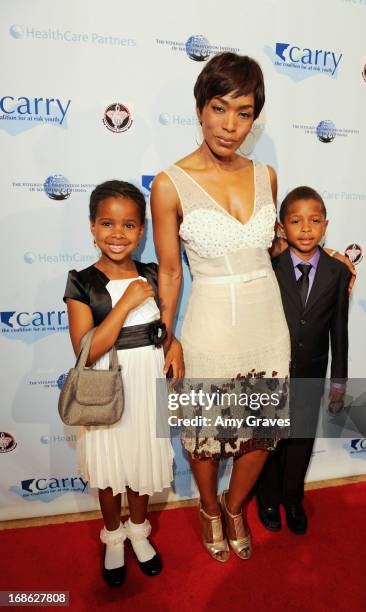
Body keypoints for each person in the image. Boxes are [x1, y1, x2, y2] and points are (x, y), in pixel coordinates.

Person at [151, 52, 291, 563]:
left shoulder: (266, 176)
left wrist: (329, 258)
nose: (230, 126)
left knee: (260, 431)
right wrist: (169, 336)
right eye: (220, 108)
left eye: (244, 112)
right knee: (207, 435)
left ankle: (236, 507)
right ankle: (209, 507)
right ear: (200, 108)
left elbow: (273, 247)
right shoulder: (169, 184)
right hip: (210, 321)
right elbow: (169, 271)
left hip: (266, 321)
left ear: (255, 117)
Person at [63, 180, 174, 587]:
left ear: (141, 230)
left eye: (128, 225)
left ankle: (138, 531)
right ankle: (113, 536)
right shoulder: (81, 281)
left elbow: (162, 327)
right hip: (105, 389)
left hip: (147, 382)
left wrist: (173, 344)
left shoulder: (151, 272)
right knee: (110, 466)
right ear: (92, 227)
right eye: (107, 223)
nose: (117, 234)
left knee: (142, 460)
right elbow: (86, 350)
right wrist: (125, 303)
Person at [256, 186, 351, 535]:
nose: (306, 229)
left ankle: (292, 498)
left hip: (312, 374)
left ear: (326, 225)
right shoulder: (270, 267)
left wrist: (338, 381)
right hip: (271, 372)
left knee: (301, 440)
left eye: (314, 221)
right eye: (296, 221)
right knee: (269, 438)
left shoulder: (337, 272)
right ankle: (266, 498)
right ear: (282, 227)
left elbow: (339, 330)